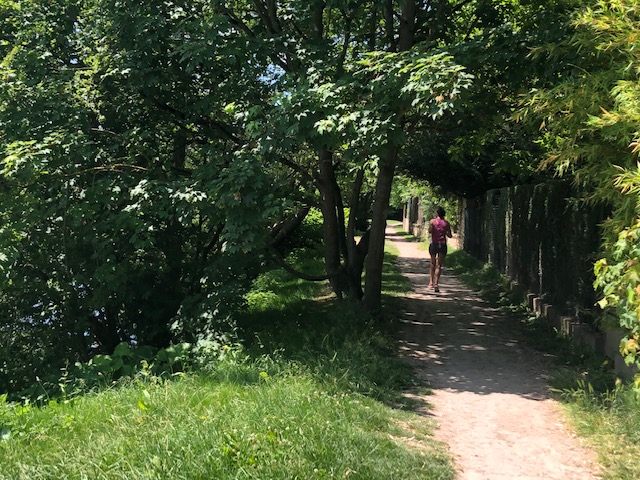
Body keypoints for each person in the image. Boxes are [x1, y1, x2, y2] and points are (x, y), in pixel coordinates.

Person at [428, 206, 452, 292]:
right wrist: (444, 231)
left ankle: (431, 282)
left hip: (434, 244)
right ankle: (436, 284)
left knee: (432, 263)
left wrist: (432, 227)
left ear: (437, 213)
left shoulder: (432, 221)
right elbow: (450, 235)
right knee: (439, 265)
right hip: (442, 244)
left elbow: (430, 231)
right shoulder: (446, 223)